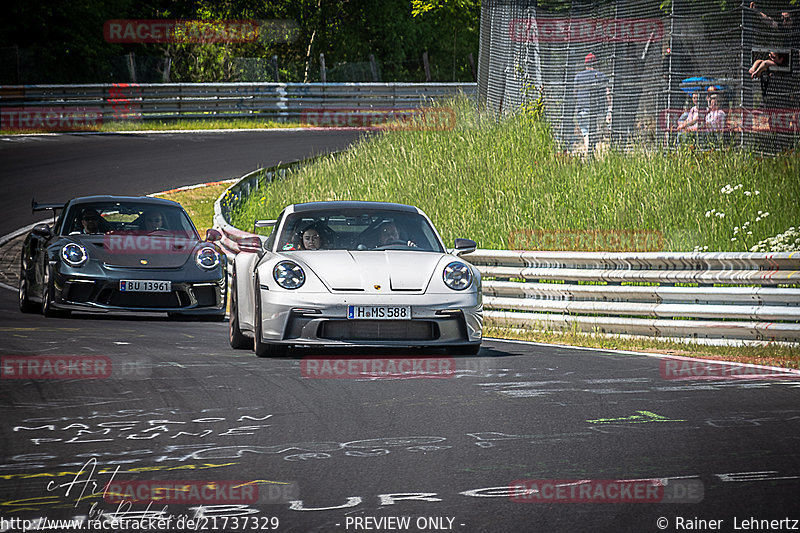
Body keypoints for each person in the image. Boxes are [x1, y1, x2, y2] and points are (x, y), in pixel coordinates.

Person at [573, 52, 612, 155]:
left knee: (586, 135)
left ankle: (589, 155)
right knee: (594, 135)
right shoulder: (603, 76)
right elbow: (608, 94)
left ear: (585, 64)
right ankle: (591, 155)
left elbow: (575, 94)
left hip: (583, 112)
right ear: (596, 64)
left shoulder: (578, 77)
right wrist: (609, 110)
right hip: (599, 112)